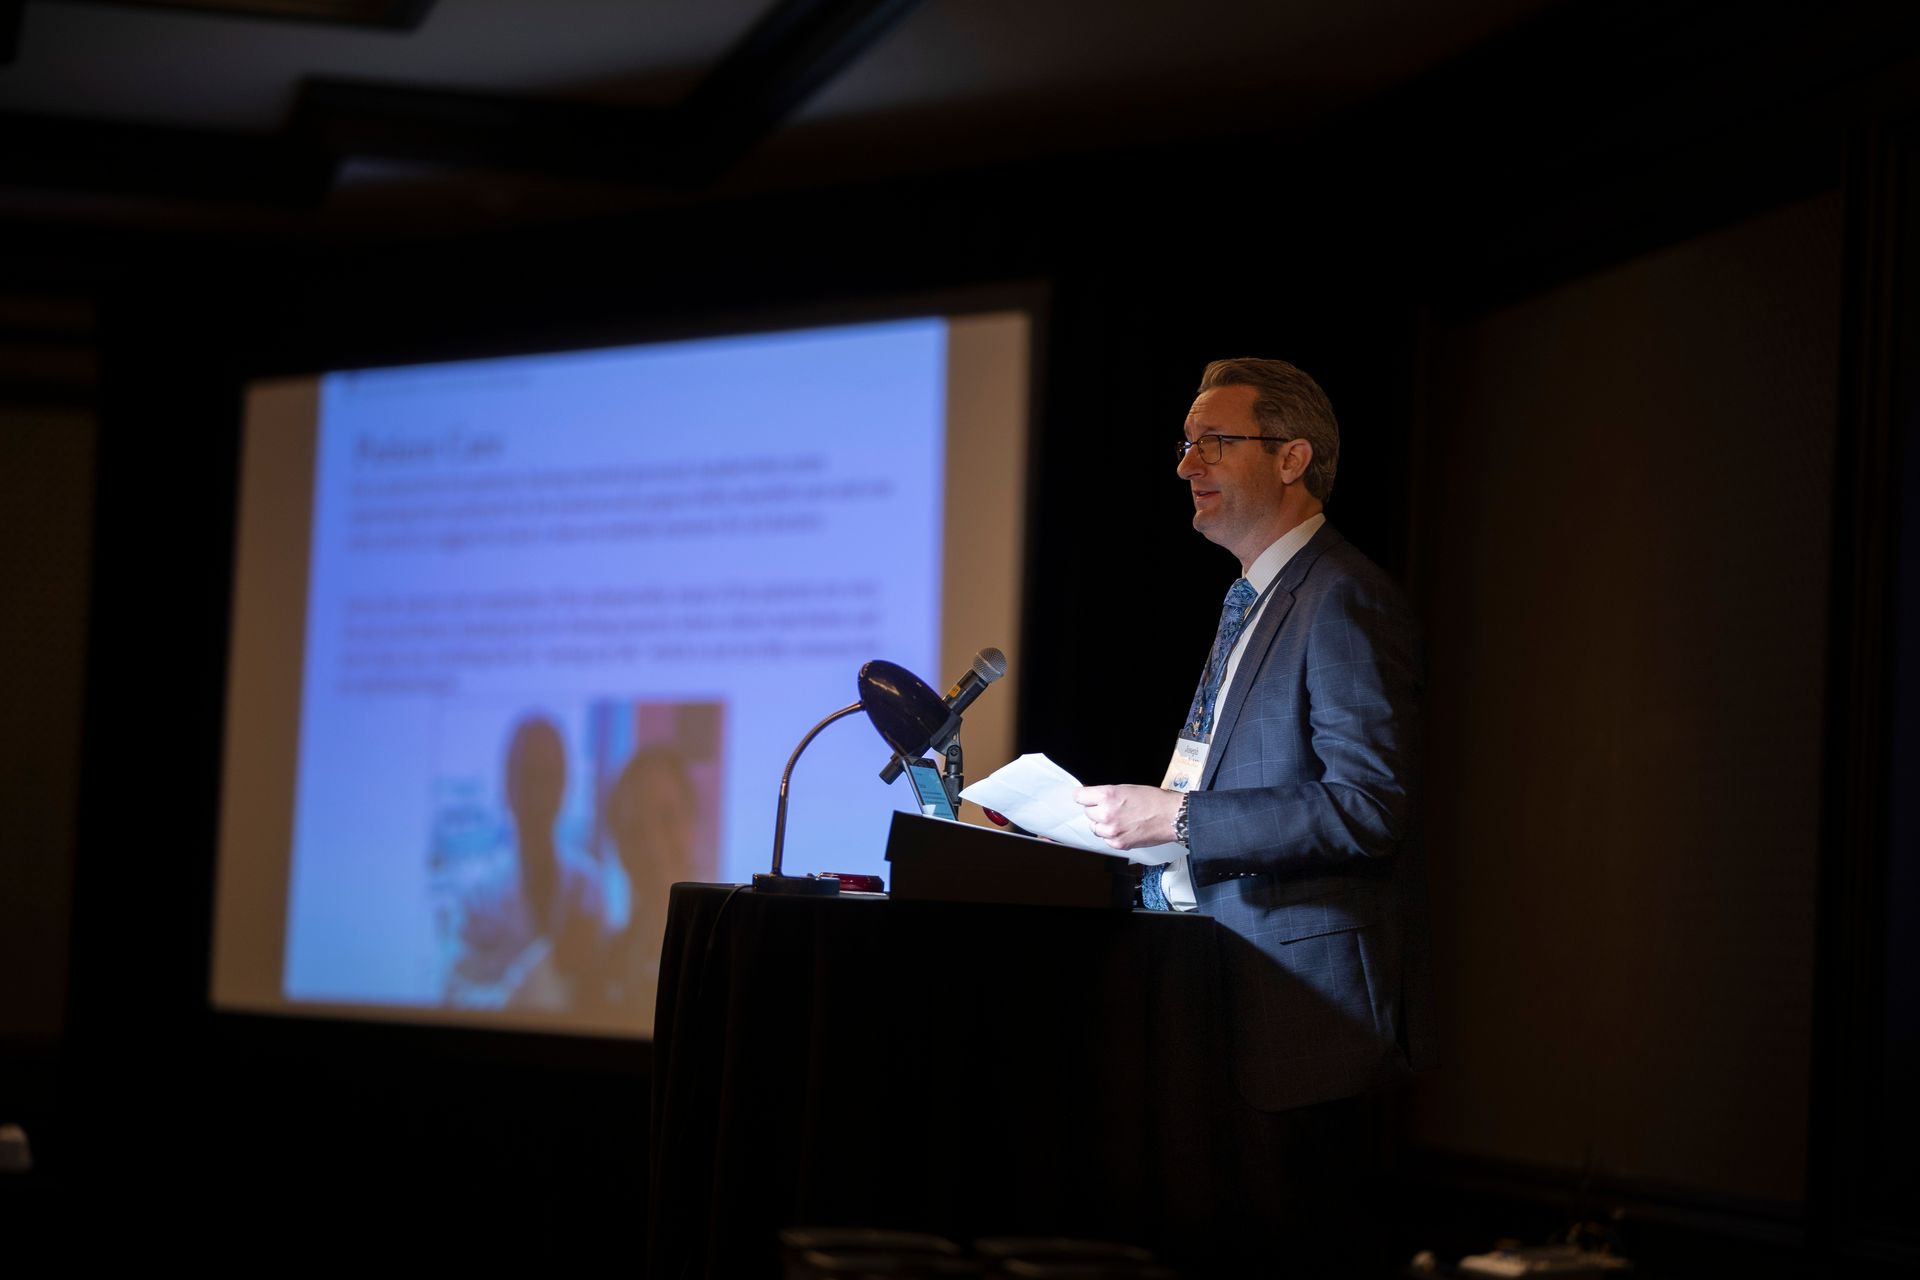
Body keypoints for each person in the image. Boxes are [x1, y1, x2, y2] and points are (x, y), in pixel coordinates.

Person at [1074, 357, 1436, 1114]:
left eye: (1212, 443)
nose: (1186, 466)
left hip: (1302, 1017)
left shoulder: (1342, 595)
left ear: (1291, 457)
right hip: (1210, 986)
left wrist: (1176, 818)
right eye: (1184, 444)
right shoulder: (1254, 597)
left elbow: (1366, 807)